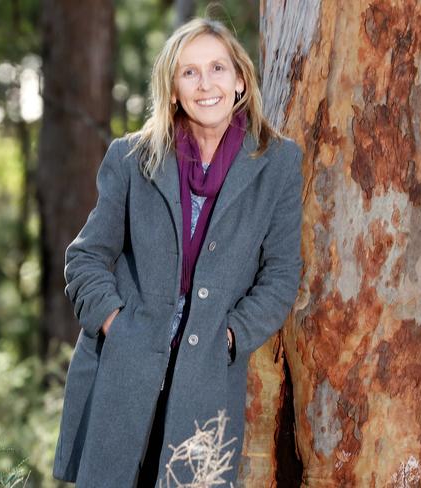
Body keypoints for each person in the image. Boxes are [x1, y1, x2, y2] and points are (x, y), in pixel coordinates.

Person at [52, 17, 304, 487]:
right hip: (122, 373)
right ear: (172, 88)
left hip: (206, 375)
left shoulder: (279, 164)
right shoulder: (131, 158)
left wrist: (231, 335)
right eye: (189, 72)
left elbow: (282, 274)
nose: (205, 84)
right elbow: (85, 257)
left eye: (217, 68)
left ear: (241, 79)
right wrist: (115, 323)